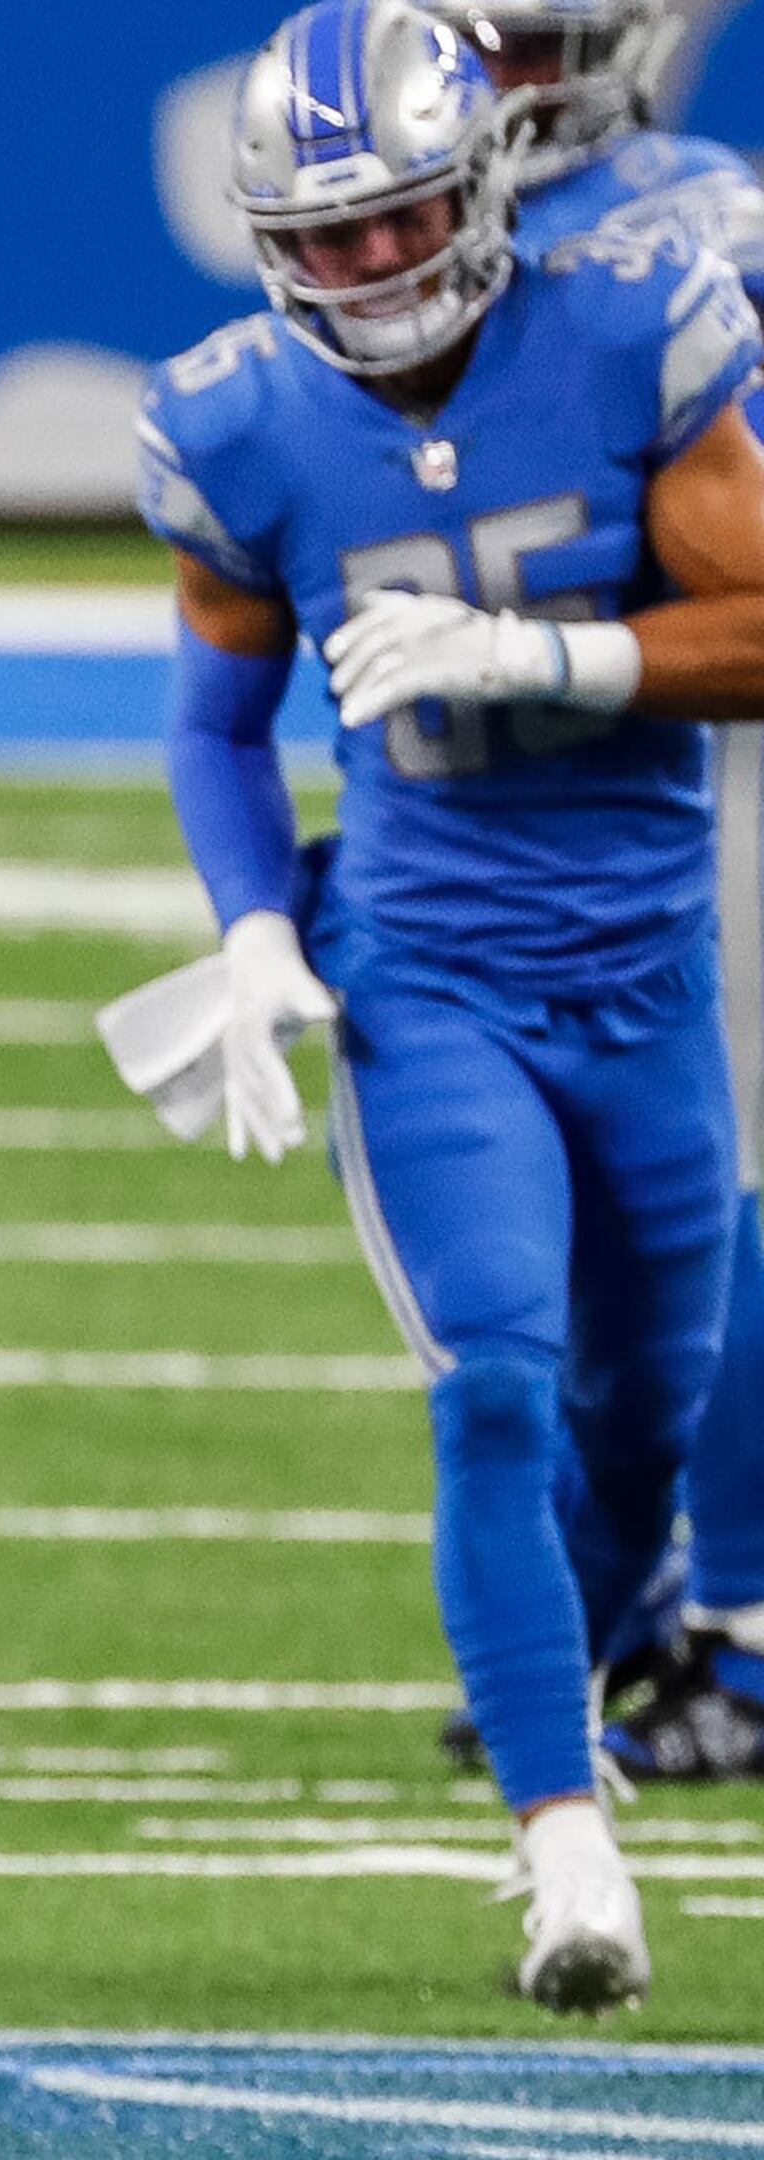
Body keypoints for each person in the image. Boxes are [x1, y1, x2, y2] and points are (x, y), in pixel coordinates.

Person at [143, 0, 764, 2010]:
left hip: (647, 974)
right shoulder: (235, 420)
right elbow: (220, 721)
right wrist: (252, 929)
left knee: (643, 1416)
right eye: (317, 241)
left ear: (478, 181)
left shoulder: (628, 331)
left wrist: (548, 663)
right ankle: (565, 1846)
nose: (364, 273)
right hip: (435, 978)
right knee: (494, 1377)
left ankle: (591, 1677)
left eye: (396, 223)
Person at [455, 0, 764, 1783]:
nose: (485, 89)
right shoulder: (425, 220)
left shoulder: (685, 213)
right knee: (570, 1224)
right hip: (560, 786)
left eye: (518, 48)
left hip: (695, 735)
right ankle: (615, 1605)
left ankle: (743, 1616)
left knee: (715, 1185)